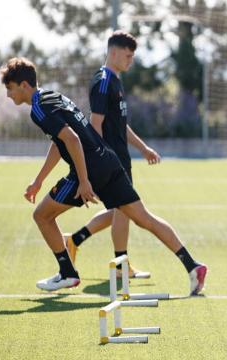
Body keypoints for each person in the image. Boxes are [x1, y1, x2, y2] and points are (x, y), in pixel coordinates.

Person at [0, 57, 207, 294]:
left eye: (10, 88)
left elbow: (72, 140)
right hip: (108, 160)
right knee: (143, 218)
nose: (8, 95)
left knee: (42, 216)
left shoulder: (39, 109)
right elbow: (60, 142)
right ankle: (193, 267)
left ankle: (67, 273)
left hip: (88, 169)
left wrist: (85, 181)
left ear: (24, 85)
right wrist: (38, 181)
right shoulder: (53, 96)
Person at [64, 31, 158, 279]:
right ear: (113, 52)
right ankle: (117, 264)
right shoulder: (104, 81)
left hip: (119, 159)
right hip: (111, 162)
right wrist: (102, 160)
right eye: (128, 55)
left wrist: (143, 148)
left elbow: (119, 125)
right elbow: (95, 126)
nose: (131, 60)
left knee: (121, 210)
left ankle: (77, 241)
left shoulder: (115, 80)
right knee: (125, 210)